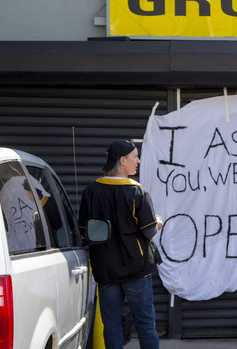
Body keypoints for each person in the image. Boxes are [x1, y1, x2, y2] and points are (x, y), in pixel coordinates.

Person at [79, 140, 162, 349]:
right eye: (135, 156)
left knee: (112, 325)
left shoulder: (91, 191)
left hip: (105, 271)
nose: (139, 161)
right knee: (145, 325)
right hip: (136, 270)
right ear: (123, 160)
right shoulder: (137, 192)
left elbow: (84, 231)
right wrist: (158, 221)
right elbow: (150, 230)